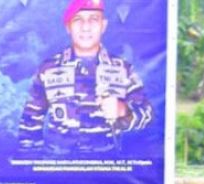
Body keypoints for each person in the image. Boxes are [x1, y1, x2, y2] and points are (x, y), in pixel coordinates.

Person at [17, 0, 153, 155]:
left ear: (103, 25)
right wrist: (30, 165)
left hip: (106, 169)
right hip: (57, 168)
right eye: (78, 19)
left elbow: (146, 115)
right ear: (68, 26)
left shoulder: (122, 69)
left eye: (93, 19)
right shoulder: (48, 69)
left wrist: (123, 110)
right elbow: (30, 120)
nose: (85, 27)